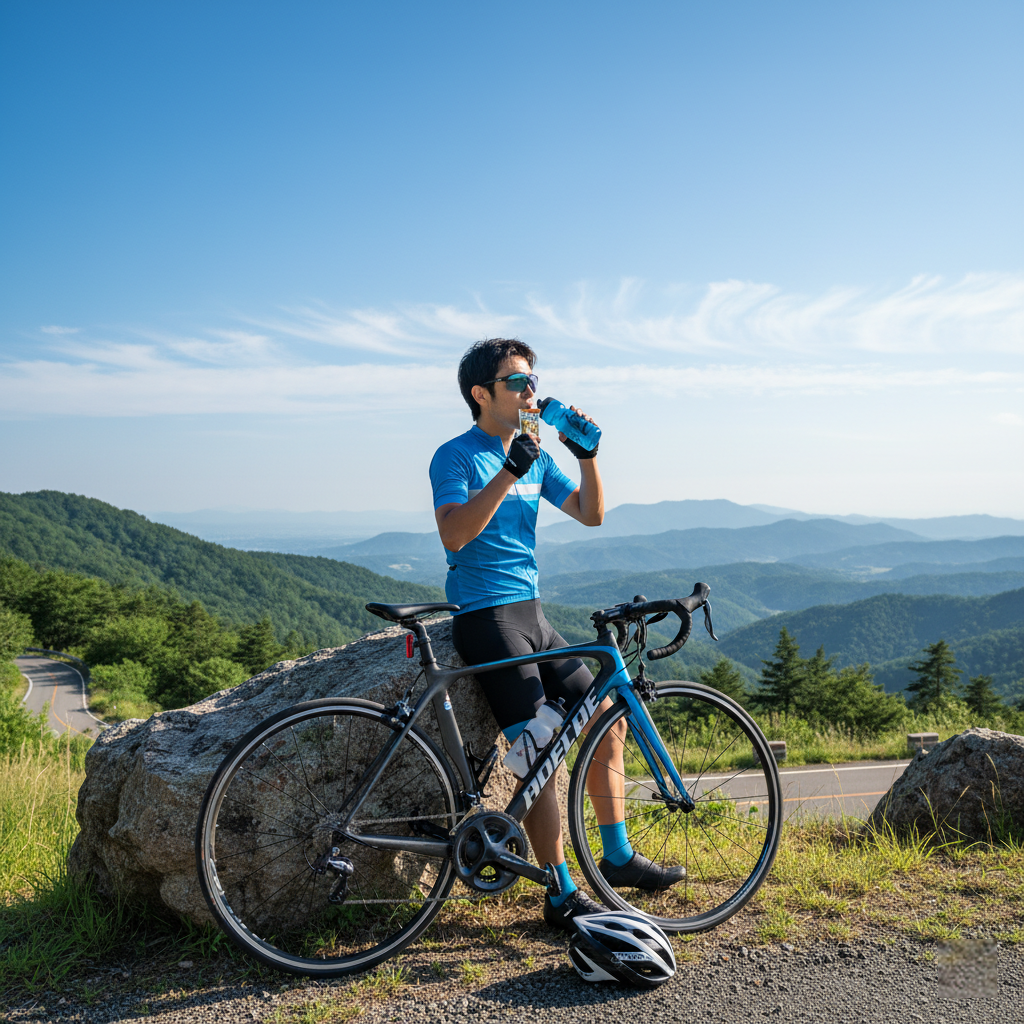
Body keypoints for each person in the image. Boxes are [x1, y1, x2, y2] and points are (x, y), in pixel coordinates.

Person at [429, 338, 684, 934]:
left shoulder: (537, 453)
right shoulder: (456, 456)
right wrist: (512, 467)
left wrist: (588, 454)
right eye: (517, 382)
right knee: (539, 755)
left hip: (533, 613)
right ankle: (560, 893)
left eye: (532, 380)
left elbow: (591, 514)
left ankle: (616, 857)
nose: (530, 392)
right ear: (481, 394)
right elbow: (455, 536)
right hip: (487, 618)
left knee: (608, 719)